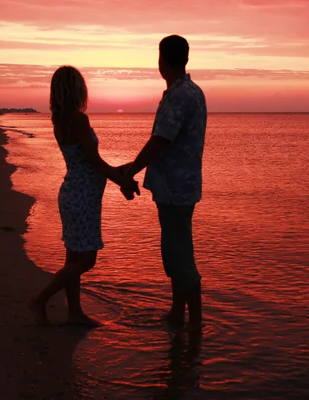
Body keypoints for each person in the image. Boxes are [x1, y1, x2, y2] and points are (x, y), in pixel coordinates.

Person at [28, 65, 140, 326]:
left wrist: (123, 172)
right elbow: (94, 162)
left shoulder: (60, 120)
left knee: (73, 258)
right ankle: (40, 299)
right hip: (82, 196)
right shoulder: (78, 120)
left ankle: (74, 313)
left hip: (74, 192)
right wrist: (121, 179)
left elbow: (90, 163)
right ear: (76, 89)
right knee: (87, 259)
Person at [121, 35, 207, 329]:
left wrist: (130, 170)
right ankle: (177, 314)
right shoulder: (193, 92)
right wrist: (132, 168)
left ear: (162, 61)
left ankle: (194, 326)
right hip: (181, 186)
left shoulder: (179, 96)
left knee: (180, 255)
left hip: (175, 189)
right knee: (173, 250)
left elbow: (159, 142)